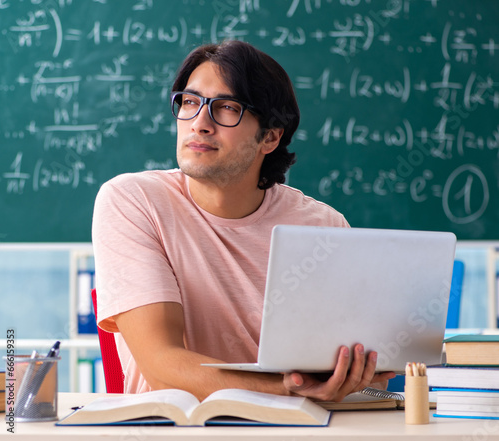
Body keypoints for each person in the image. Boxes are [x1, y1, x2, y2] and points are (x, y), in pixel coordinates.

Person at [92, 40, 395, 401]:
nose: (200, 124)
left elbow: (365, 378)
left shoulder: (324, 228)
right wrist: (289, 389)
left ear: (270, 136)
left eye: (226, 108)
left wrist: (353, 378)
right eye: (190, 102)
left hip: (298, 430)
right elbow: (162, 367)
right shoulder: (134, 201)